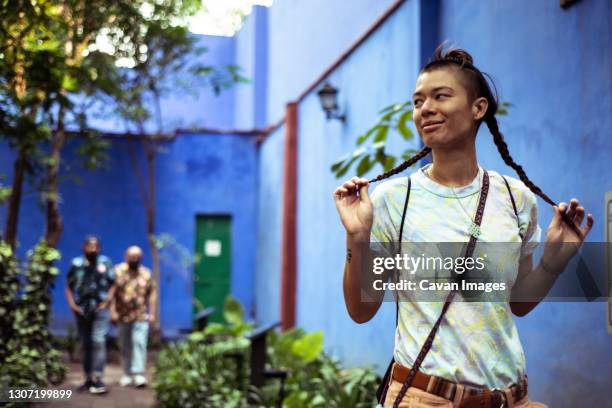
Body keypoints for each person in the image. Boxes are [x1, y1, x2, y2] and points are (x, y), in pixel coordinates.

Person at [333, 45, 594, 408]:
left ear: (478, 108)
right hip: (426, 399)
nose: (425, 108)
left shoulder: (514, 197)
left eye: (441, 96)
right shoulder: (395, 199)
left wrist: (555, 260)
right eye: (418, 101)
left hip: (509, 398)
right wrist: (357, 238)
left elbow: (517, 303)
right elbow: (361, 311)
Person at [65, 235, 115, 394]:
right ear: (83, 247)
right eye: (89, 246)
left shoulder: (105, 263)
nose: (92, 249)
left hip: (100, 309)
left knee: (99, 341)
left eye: (95, 247)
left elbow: (113, 283)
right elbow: (68, 285)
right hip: (82, 310)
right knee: (86, 344)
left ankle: (98, 378)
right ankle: (87, 378)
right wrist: (72, 305)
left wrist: (107, 302)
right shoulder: (76, 264)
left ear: (99, 248)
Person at [108, 246, 157, 388]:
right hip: (122, 316)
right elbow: (111, 293)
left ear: (141, 257)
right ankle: (126, 374)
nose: (134, 259)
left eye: (137, 256)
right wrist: (112, 311)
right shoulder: (118, 272)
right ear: (126, 256)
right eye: (132, 256)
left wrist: (152, 313)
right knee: (124, 345)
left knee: (140, 343)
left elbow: (152, 293)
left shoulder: (146, 273)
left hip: (140, 315)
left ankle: (139, 374)